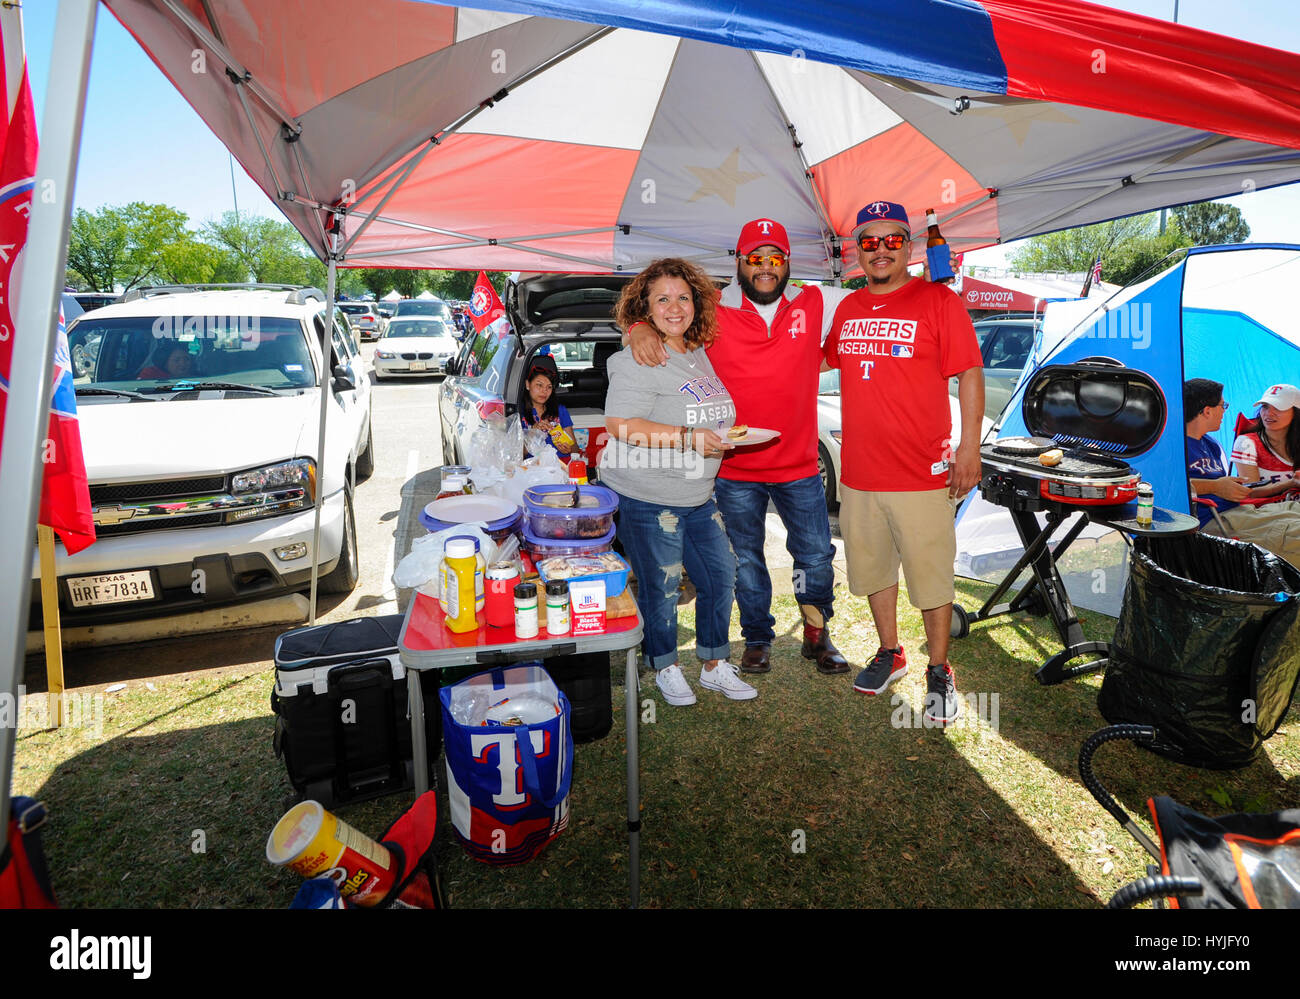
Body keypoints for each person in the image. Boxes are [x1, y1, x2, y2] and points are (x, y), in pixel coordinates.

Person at [628, 219, 856, 677]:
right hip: (733, 468)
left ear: (788, 262)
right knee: (746, 557)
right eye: (756, 258)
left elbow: (873, 302)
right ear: (739, 262)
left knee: (813, 554)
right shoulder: (712, 307)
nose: (766, 268)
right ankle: (757, 638)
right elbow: (665, 315)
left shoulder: (816, 302)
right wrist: (637, 328)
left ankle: (816, 633)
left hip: (798, 464)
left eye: (775, 258)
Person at [824, 200, 984, 726]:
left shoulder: (939, 301)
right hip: (861, 471)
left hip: (922, 472)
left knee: (931, 576)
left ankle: (939, 669)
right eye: (870, 241)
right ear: (857, 252)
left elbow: (970, 374)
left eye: (893, 240)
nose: (881, 250)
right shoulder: (846, 309)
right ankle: (890, 652)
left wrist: (968, 449)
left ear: (909, 248)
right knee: (873, 568)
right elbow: (808, 356)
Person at [599, 257, 755, 706]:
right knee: (662, 585)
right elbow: (619, 424)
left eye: (683, 297)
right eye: (662, 298)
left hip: (697, 495)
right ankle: (665, 664)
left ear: (696, 304)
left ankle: (713, 663)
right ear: (644, 308)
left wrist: (720, 437)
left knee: (721, 574)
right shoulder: (640, 355)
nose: (674, 307)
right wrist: (689, 438)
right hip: (649, 496)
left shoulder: (695, 351)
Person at [1186, 377, 1300, 566]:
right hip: (1214, 520)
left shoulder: (1211, 445)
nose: (1225, 411)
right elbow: (1161, 486)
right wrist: (1215, 486)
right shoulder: (1176, 447)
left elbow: (1239, 489)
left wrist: (1290, 483)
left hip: (1242, 510)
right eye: (1223, 406)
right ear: (1207, 411)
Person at [1230, 383, 1300, 502]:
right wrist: (1291, 483)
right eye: (1265, 406)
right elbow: (1249, 493)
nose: (1268, 413)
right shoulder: (1247, 443)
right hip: (1267, 515)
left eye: (1278, 408)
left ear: (1296, 412)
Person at [519, 354, 576, 458]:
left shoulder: (560, 410)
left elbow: (575, 449)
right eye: (539, 385)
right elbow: (516, 456)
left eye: (549, 387)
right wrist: (533, 433)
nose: (544, 391)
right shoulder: (518, 413)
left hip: (560, 466)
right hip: (531, 469)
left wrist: (569, 449)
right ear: (528, 384)